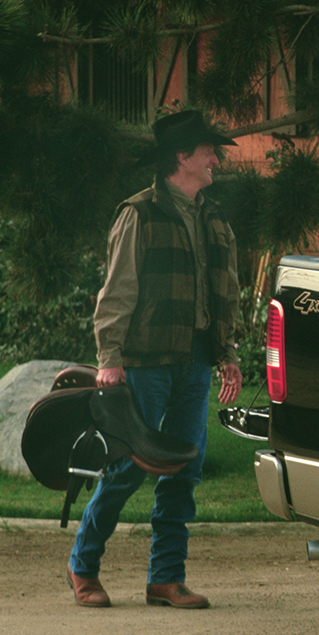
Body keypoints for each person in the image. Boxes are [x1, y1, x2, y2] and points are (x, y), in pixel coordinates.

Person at [65, 111, 244, 609]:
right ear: (182, 157)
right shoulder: (138, 214)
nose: (216, 158)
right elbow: (117, 290)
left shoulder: (214, 216)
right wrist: (109, 358)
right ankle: (83, 565)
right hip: (144, 363)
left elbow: (225, 292)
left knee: (184, 466)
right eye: (208, 150)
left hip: (195, 362)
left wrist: (226, 353)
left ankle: (166, 578)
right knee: (127, 467)